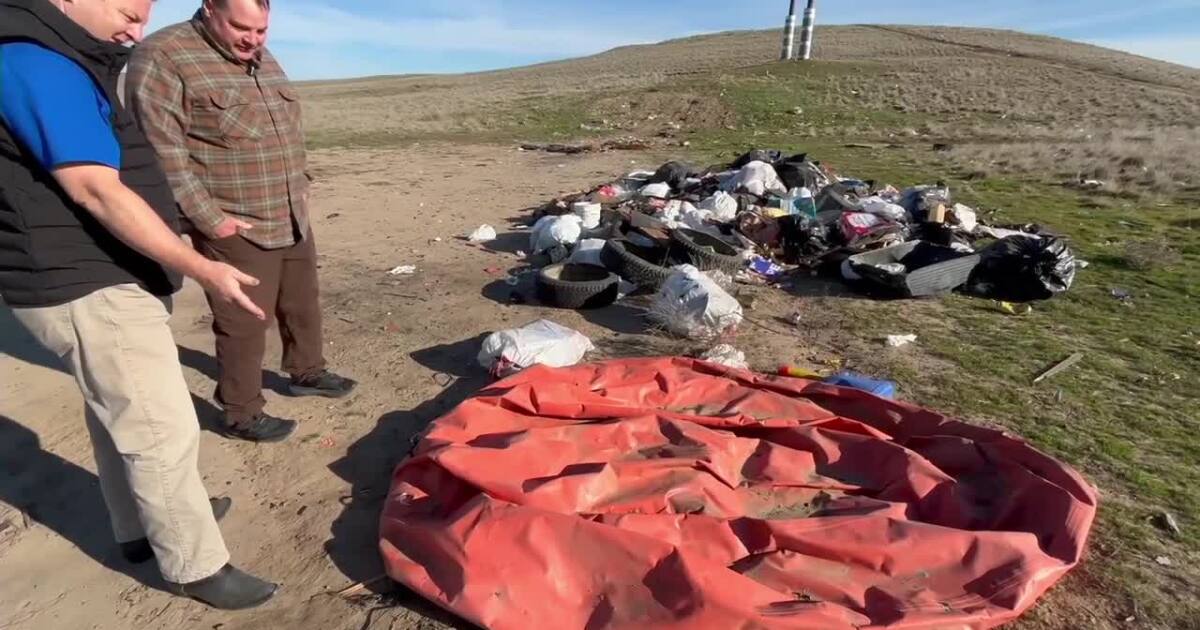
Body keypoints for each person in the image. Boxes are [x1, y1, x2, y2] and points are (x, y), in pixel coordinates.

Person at [0, 0, 278, 610]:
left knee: (118, 412)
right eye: (128, 11)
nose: (137, 28)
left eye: (145, 14)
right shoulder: (36, 63)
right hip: (83, 281)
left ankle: (141, 529)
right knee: (159, 427)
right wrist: (200, 265)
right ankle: (193, 562)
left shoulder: (60, 54)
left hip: (88, 273)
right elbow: (94, 186)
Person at [126, 0, 356, 442]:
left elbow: (285, 126)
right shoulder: (163, 55)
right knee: (245, 321)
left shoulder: (262, 58)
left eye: (262, 30)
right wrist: (210, 220)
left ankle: (306, 372)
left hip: (289, 209)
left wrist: (301, 180)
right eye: (240, 27)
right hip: (234, 220)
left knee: (301, 301)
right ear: (210, 7)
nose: (253, 39)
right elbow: (162, 153)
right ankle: (241, 412)